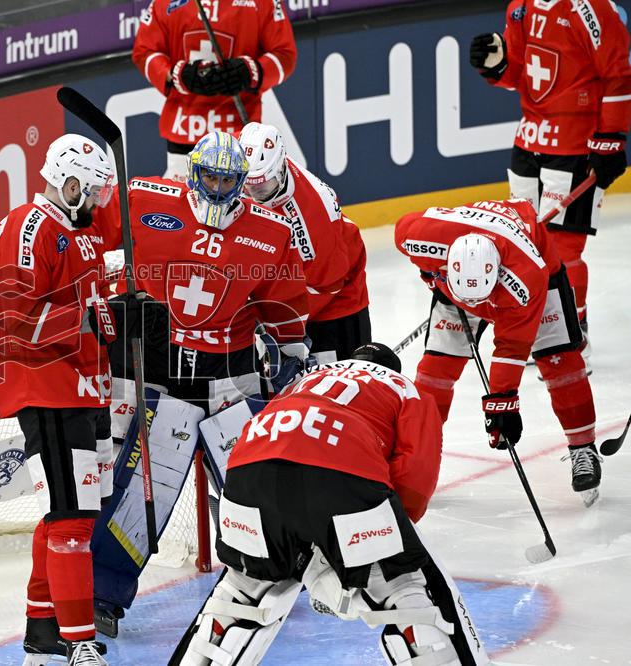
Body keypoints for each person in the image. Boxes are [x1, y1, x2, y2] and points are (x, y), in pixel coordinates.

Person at [91, 130, 310, 637]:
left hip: (231, 383)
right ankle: (102, 592)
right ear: (192, 172)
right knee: (140, 497)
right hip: (165, 383)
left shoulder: (270, 232)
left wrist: (291, 354)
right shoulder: (146, 199)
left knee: (255, 487)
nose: (215, 186)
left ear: (241, 182)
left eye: (226, 179)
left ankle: (282, 571)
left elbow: (287, 308)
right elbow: (91, 230)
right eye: (207, 175)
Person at [171, 343, 490, 666]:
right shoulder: (405, 388)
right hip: (341, 472)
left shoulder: (305, 380)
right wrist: (375, 549)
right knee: (402, 591)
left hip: (247, 474)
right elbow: (414, 481)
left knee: (242, 590)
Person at [0, 133, 136, 665]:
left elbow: (89, 307)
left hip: (83, 388)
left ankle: (43, 629)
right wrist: (90, 319)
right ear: (69, 183)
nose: (98, 203)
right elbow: (16, 320)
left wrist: (119, 308)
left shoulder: (82, 233)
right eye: (93, 192)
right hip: (45, 388)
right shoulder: (29, 227)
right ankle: (79, 645)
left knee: (70, 514)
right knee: (71, 518)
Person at [394, 198, 600, 506]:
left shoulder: (525, 280)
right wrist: (433, 276)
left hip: (535, 272)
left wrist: (501, 406)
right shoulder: (417, 236)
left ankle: (583, 448)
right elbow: (413, 248)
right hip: (455, 288)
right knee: (434, 372)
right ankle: (417, 458)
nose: (479, 310)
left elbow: (511, 347)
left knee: (560, 362)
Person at [469, 1, 631, 354]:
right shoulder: (520, 6)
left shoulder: (593, 8)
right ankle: (541, 327)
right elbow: (521, 75)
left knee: (564, 249)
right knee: (527, 242)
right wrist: (498, 63)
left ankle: (572, 336)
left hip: (577, 144)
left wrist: (611, 138)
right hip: (528, 140)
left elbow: (618, 73)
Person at [238, 121, 370, 363]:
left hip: (334, 304)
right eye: (245, 183)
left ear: (279, 170)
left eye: (261, 187)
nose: (251, 194)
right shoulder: (250, 153)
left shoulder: (313, 217)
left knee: (329, 385)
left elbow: (327, 285)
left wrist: (271, 321)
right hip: (290, 280)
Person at [131, 0, 296, 180]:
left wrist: (250, 72)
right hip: (185, 131)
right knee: (184, 207)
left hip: (239, 136)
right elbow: (144, 50)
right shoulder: (164, 3)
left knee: (238, 206)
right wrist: (173, 75)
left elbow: (284, 54)